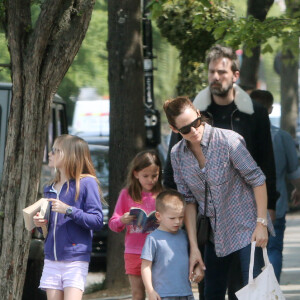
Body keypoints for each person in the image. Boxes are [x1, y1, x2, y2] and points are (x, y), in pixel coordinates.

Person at [164, 44, 278, 299]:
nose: (193, 130)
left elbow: (260, 174)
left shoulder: (230, 137)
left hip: (246, 226)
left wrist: (262, 221)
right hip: (214, 234)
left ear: (198, 114)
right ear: (175, 130)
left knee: (250, 292)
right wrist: (193, 247)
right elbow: (189, 201)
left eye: (196, 123)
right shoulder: (178, 155)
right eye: (185, 129)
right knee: (211, 293)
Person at [33, 134, 104, 300]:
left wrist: (69, 210)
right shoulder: (49, 187)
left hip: (75, 259)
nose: (50, 154)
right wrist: (39, 223)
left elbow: (97, 220)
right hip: (51, 258)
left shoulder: (87, 183)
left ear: (70, 155)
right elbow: (47, 228)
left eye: (55, 151)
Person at [250, 89, 300, 282]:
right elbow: (294, 172)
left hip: (249, 208)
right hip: (275, 206)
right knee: (274, 248)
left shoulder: (242, 137)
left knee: (251, 252)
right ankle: (271, 289)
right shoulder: (282, 137)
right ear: (270, 109)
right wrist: (298, 189)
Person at [108, 150, 163, 300]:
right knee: (138, 293)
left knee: (158, 292)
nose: (150, 180)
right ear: (135, 173)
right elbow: (113, 223)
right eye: (145, 176)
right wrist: (122, 220)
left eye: (154, 175)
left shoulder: (162, 194)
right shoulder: (126, 194)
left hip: (157, 251)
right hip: (134, 251)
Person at [141, 189, 202, 300]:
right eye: (172, 218)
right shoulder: (153, 239)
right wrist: (150, 291)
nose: (177, 222)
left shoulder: (185, 236)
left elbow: (193, 258)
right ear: (158, 216)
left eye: (181, 217)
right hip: (163, 295)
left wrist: (198, 268)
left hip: (186, 293)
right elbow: (145, 266)